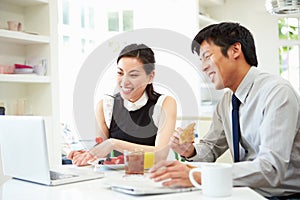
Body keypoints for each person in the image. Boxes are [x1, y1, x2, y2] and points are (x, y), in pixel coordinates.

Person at [149, 22, 300, 199]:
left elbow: (271, 167)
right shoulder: (227, 102)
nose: (203, 67)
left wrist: (199, 176)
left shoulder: (277, 92)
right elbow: (211, 148)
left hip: (283, 196)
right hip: (242, 192)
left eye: (206, 56)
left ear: (235, 50)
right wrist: (190, 151)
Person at [68, 43, 177, 166]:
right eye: (120, 73)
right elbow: (102, 153)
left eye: (133, 75)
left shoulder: (164, 104)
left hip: (153, 177)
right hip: (116, 179)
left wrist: (113, 143)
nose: (124, 82)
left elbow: (160, 155)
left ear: (150, 77)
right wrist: (88, 155)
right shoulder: (105, 106)